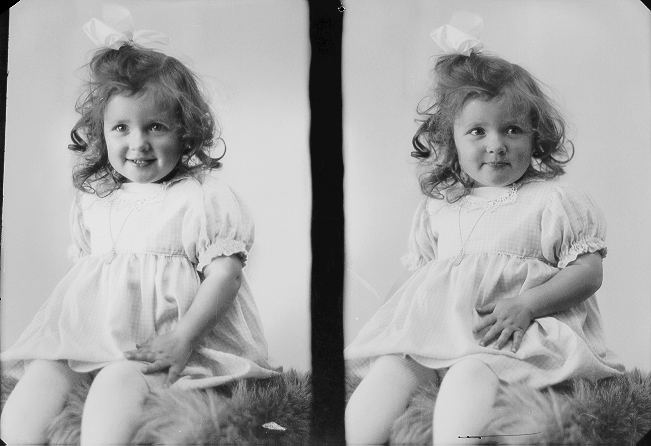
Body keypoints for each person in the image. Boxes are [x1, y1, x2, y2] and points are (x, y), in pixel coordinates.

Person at [0, 7, 278, 444]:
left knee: (117, 384)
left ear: (185, 132)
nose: (138, 143)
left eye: (156, 127)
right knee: (37, 386)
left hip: (170, 346)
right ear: (101, 132)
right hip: (93, 342)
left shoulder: (200, 197)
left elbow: (226, 275)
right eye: (121, 128)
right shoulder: (95, 199)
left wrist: (182, 339)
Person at [344, 18, 624, 445]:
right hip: (439, 336)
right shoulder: (439, 206)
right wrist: (394, 327)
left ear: (535, 136)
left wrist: (528, 304)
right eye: (477, 131)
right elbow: (417, 280)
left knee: (469, 373)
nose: (496, 144)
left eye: (512, 129)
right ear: (451, 140)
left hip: (512, 339)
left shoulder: (551, 200)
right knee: (391, 369)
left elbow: (588, 273)